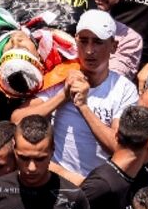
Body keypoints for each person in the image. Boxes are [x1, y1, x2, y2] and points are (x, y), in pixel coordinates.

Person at [14, 10, 137, 178]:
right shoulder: (59, 77)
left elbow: (118, 147)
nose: (89, 50)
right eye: (83, 41)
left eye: (98, 42)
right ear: (75, 41)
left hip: (98, 187)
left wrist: (83, 106)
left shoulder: (124, 89)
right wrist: (63, 96)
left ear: (113, 46)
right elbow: (17, 119)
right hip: (57, 182)